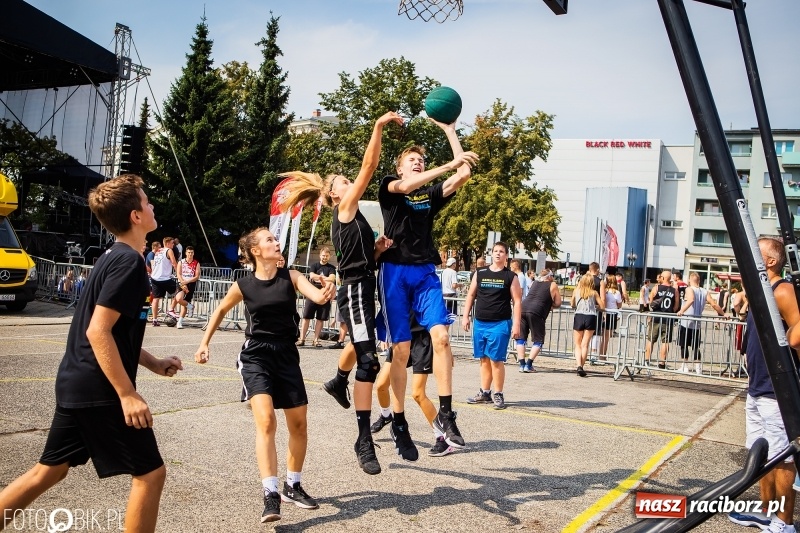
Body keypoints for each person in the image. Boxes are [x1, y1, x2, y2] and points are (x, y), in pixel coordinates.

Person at [0, 174, 183, 533]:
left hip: (79, 381)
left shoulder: (114, 256)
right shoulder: (128, 262)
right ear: (135, 216)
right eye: (146, 202)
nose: (152, 206)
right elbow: (98, 331)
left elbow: (115, 331)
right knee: (150, 473)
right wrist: (127, 394)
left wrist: (153, 363)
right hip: (98, 388)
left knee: (48, 471)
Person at [279, 112, 403, 475]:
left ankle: (337, 381)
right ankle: (363, 441)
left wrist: (377, 249)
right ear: (334, 194)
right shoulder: (345, 209)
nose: (351, 182)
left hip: (362, 287)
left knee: (361, 350)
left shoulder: (356, 219)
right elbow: (369, 165)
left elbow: (358, 259)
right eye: (344, 182)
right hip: (356, 293)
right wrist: (378, 126)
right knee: (370, 362)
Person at [194, 227, 335, 524]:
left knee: (299, 424)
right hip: (256, 355)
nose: (276, 242)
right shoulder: (244, 285)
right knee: (267, 420)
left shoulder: (292, 277)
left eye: (275, 238)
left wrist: (326, 290)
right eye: (269, 239)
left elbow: (319, 297)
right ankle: (270, 493)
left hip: (286, 354)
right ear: (256, 251)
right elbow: (220, 310)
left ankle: (292, 486)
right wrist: (204, 343)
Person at [377, 119, 479, 460]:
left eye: (421, 159)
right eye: (412, 160)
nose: (418, 162)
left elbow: (463, 174)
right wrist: (448, 164)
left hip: (423, 272)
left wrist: (450, 131)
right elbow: (409, 186)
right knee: (400, 351)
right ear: (399, 167)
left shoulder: (428, 197)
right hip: (393, 271)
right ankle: (398, 421)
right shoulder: (390, 186)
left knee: (442, 338)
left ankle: (446, 413)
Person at [728, 238, 798, 533]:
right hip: (757, 386)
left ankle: (784, 523)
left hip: (776, 389)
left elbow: (798, 329)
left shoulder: (782, 290)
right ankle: (767, 513)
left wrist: (788, 345)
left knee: (782, 458)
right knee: (761, 453)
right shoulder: (760, 291)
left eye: (757, 250)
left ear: (770, 261)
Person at [371, 320, 455, 456]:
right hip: (402, 338)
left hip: (422, 340)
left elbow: (442, 319)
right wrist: (385, 335)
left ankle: (442, 438)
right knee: (381, 385)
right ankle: (386, 415)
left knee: (418, 394)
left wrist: (446, 349)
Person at [461, 241, 522, 410]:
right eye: (495, 251)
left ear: (506, 255)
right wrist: (465, 316)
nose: (498, 254)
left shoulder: (511, 276)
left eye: (501, 251)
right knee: (483, 359)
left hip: (500, 324)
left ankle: (498, 393)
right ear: (491, 253)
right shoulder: (480, 273)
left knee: (496, 360)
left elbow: (517, 301)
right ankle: (485, 392)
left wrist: (517, 324)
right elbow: (471, 295)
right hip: (480, 323)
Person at [676, 272, 725, 373]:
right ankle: (698, 367)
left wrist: (681, 310)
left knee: (684, 344)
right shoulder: (704, 291)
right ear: (699, 280)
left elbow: (691, 300)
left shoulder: (689, 289)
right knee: (695, 346)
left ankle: (684, 366)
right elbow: (713, 304)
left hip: (686, 321)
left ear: (690, 280)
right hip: (697, 322)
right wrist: (723, 314)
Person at [516, 269, 561, 373]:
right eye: (552, 276)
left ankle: (522, 364)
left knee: (521, 338)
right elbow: (558, 303)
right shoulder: (552, 285)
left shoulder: (534, 283)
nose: (553, 278)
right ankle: (528, 364)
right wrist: (549, 304)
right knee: (538, 340)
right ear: (549, 277)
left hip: (523, 308)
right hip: (537, 311)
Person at [297, 247, 337, 347]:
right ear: (320, 255)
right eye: (323, 255)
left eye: (327, 256)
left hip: (324, 295)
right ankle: (302, 339)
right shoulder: (314, 265)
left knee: (320, 319)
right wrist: (325, 278)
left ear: (329, 256)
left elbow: (332, 278)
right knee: (306, 317)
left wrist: (319, 278)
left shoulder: (331, 268)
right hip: (312, 294)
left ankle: (316, 340)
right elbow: (311, 276)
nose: (325, 257)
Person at [644, 270, 679, 369]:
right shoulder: (674, 290)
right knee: (665, 341)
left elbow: (651, 301)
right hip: (668, 318)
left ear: (662, 278)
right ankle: (662, 363)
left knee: (651, 339)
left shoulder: (656, 288)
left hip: (656, 316)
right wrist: (671, 311)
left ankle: (646, 360)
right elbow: (676, 305)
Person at [570, 273, 603, 377]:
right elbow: (602, 306)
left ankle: (579, 365)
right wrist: (595, 306)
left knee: (578, 344)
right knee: (585, 344)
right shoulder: (594, 293)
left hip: (579, 316)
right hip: (591, 317)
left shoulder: (576, 291)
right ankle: (581, 367)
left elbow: (572, 304)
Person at [149, 236, 178, 326]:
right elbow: (174, 263)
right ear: (167, 243)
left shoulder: (159, 251)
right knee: (179, 291)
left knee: (156, 299)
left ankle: (155, 320)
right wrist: (179, 275)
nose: (173, 245)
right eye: (172, 243)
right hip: (164, 278)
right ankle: (171, 309)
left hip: (155, 278)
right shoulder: (169, 250)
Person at [174, 246, 201, 328]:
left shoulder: (196, 263)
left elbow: (197, 276)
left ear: (193, 253)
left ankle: (180, 322)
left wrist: (187, 281)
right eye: (189, 252)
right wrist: (183, 282)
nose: (190, 254)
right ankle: (191, 307)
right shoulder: (181, 262)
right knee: (179, 299)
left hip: (191, 283)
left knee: (185, 302)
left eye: (192, 252)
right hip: (182, 283)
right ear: (186, 253)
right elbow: (178, 274)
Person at [600, 274, 623, 358]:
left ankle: (601, 354)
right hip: (612, 314)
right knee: (606, 337)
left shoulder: (604, 291)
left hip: (604, 313)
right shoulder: (616, 292)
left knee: (603, 336)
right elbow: (619, 305)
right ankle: (602, 355)